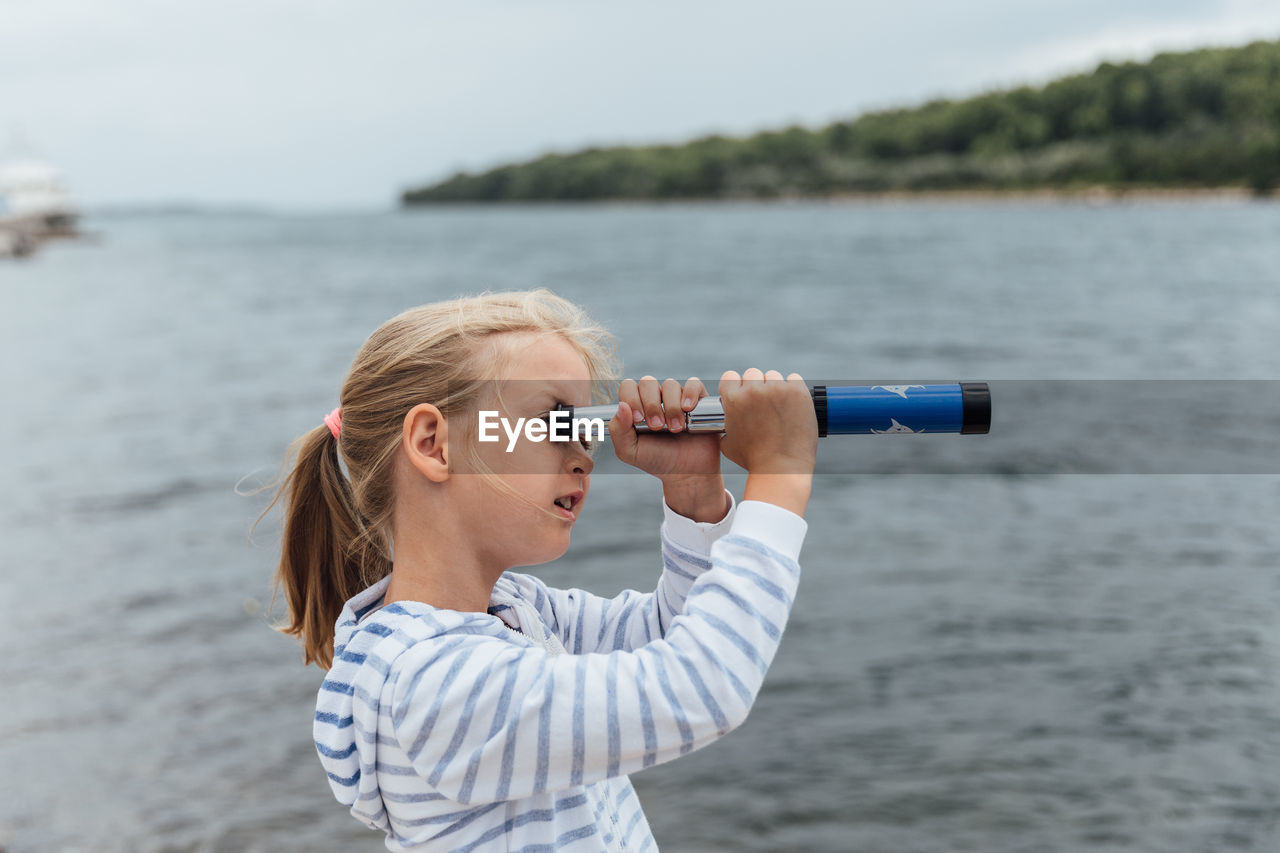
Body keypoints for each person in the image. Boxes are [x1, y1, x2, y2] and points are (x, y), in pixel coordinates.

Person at [271, 289, 817, 851]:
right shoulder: (432, 686)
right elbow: (699, 688)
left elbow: (667, 634)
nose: (583, 453)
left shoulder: (517, 612)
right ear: (434, 445)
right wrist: (780, 476)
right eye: (554, 422)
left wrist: (695, 498)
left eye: (584, 426)